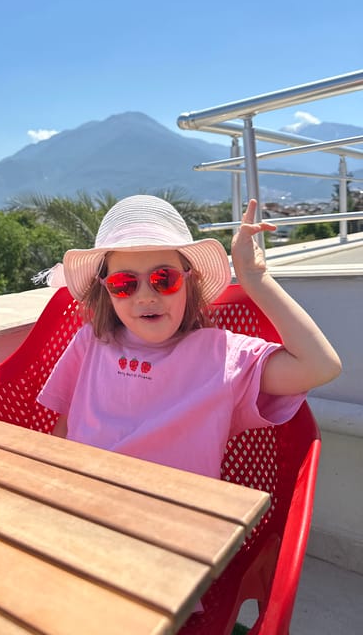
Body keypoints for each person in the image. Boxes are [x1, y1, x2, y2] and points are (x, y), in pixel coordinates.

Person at [37, 194, 341, 479]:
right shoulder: (89, 342)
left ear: (189, 282)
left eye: (164, 279)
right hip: (82, 497)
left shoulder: (223, 356)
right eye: (124, 283)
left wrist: (255, 278)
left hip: (176, 511)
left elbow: (319, 366)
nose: (145, 296)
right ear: (107, 291)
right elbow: (66, 428)